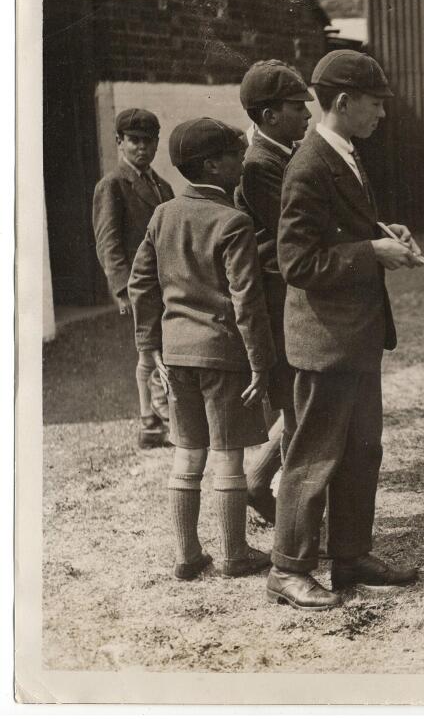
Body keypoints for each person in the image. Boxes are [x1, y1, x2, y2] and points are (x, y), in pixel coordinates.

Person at [266, 50, 422, 611]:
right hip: (325, 342)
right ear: (342, 102)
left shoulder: (345, 153)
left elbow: (344, 228)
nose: (382, 113)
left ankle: (351, 556)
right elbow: (297, 263)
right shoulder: (308, 164)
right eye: (376, 103)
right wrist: (370, 252)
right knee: (313, 456)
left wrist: (382, 233)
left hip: (354, 337)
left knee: (362, 451)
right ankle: (288, 569)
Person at [128, 117, 275, 581]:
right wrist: (260, 362)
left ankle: (188, 554)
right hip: (224, 356)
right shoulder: (233, 221)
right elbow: (246, 299)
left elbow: (140, 284)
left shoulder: (163, 213)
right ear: (213, 165)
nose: (242, 161)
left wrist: (150, 348)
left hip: (176, 355)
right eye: (235, 154)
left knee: (187, 455)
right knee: (229, 457)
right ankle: (235, 555)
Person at [233, 59, 314, 524]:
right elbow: (295, 228)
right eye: (297, 107)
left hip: (289, 289)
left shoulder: (280, 155)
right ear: (268, 116)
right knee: (297, 399)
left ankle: (257, 483)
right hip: (278, 295)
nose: (307, 115)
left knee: (300, 401)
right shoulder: (259, 165)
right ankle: (275, 497)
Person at [92, 108, 175, 449]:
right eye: (134, 141)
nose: (142, 148)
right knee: (150, 350)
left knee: (156, 348)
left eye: (148, 141)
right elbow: (108, 241)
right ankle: (154, 420)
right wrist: (122, 289)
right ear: (119, 142)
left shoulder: (163, 186)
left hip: (165, 283)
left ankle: (152, 424)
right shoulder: (113, 185)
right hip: (139, 286)